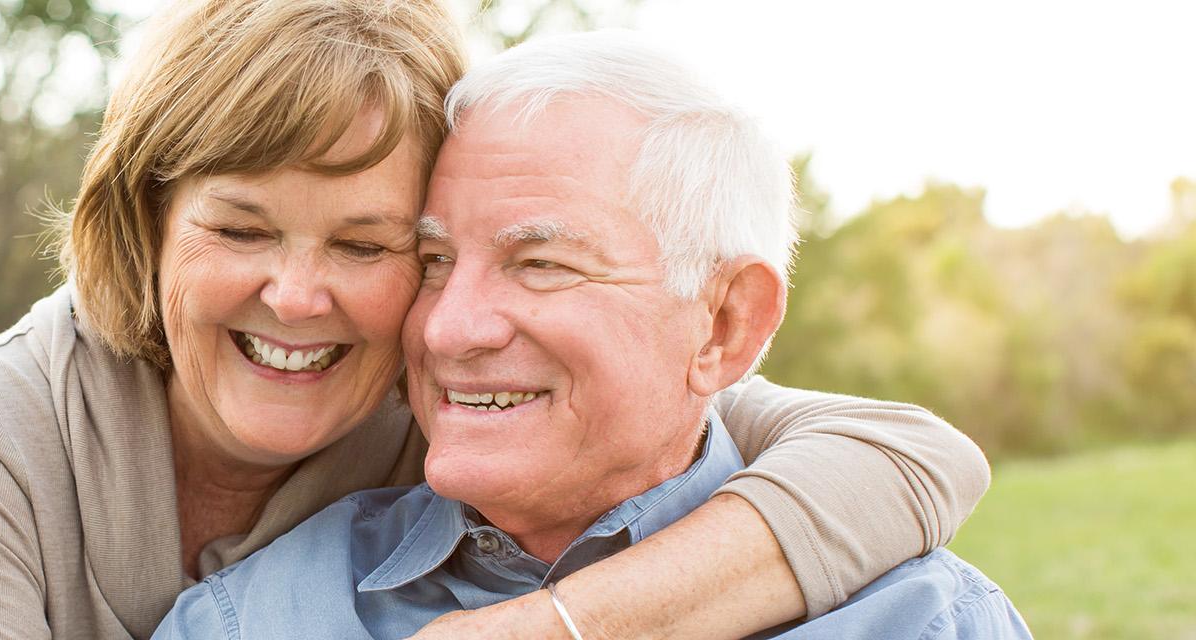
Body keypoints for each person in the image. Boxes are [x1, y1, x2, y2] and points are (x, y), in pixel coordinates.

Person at [0, 2, 992, 638]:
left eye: (371, 246)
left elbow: (906, 452)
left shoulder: (451, 392)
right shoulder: (3, 433)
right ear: (148, 223)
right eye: (241, 230)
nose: (302, 297)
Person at [153, 31, 1031, 640]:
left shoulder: (921, 622)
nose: (449, 328)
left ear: (724, 326)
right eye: (431, 259)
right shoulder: (248, 621)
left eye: (540, 263)